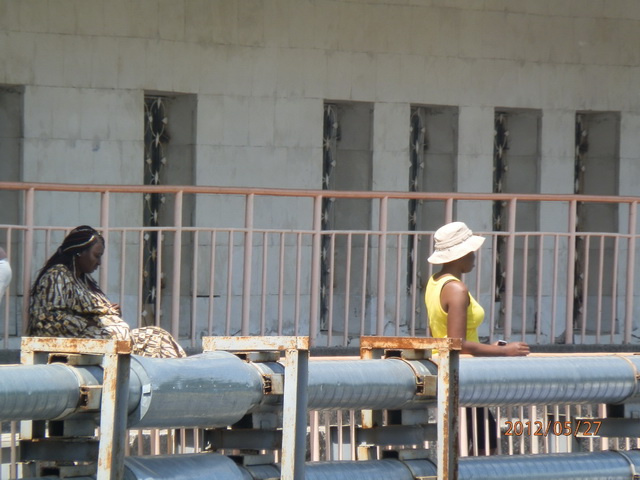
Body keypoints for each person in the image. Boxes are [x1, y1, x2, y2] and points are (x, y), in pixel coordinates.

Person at [424, 221, 530, 454]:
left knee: (475, 439)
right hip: (462, 373)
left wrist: (487, 348)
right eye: (471, 251)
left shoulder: (435, 282)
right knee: (485, 444)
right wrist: (504, 351)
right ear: (459, 255)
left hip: (448, 369)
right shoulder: (457, 289)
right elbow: (458, 344)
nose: (474, 256)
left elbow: (440, 333)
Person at [27, 226, 186, 358]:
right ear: (79, 252)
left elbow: (89, 309)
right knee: (154, 339)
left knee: (157, 335)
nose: (99, 262)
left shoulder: (84, 280)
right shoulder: (57, 275)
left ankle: (179, 377)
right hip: (77, 343)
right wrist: (94, 321)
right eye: (97, 256)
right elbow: (51, 319)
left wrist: (110, 311)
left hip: (109, 341)